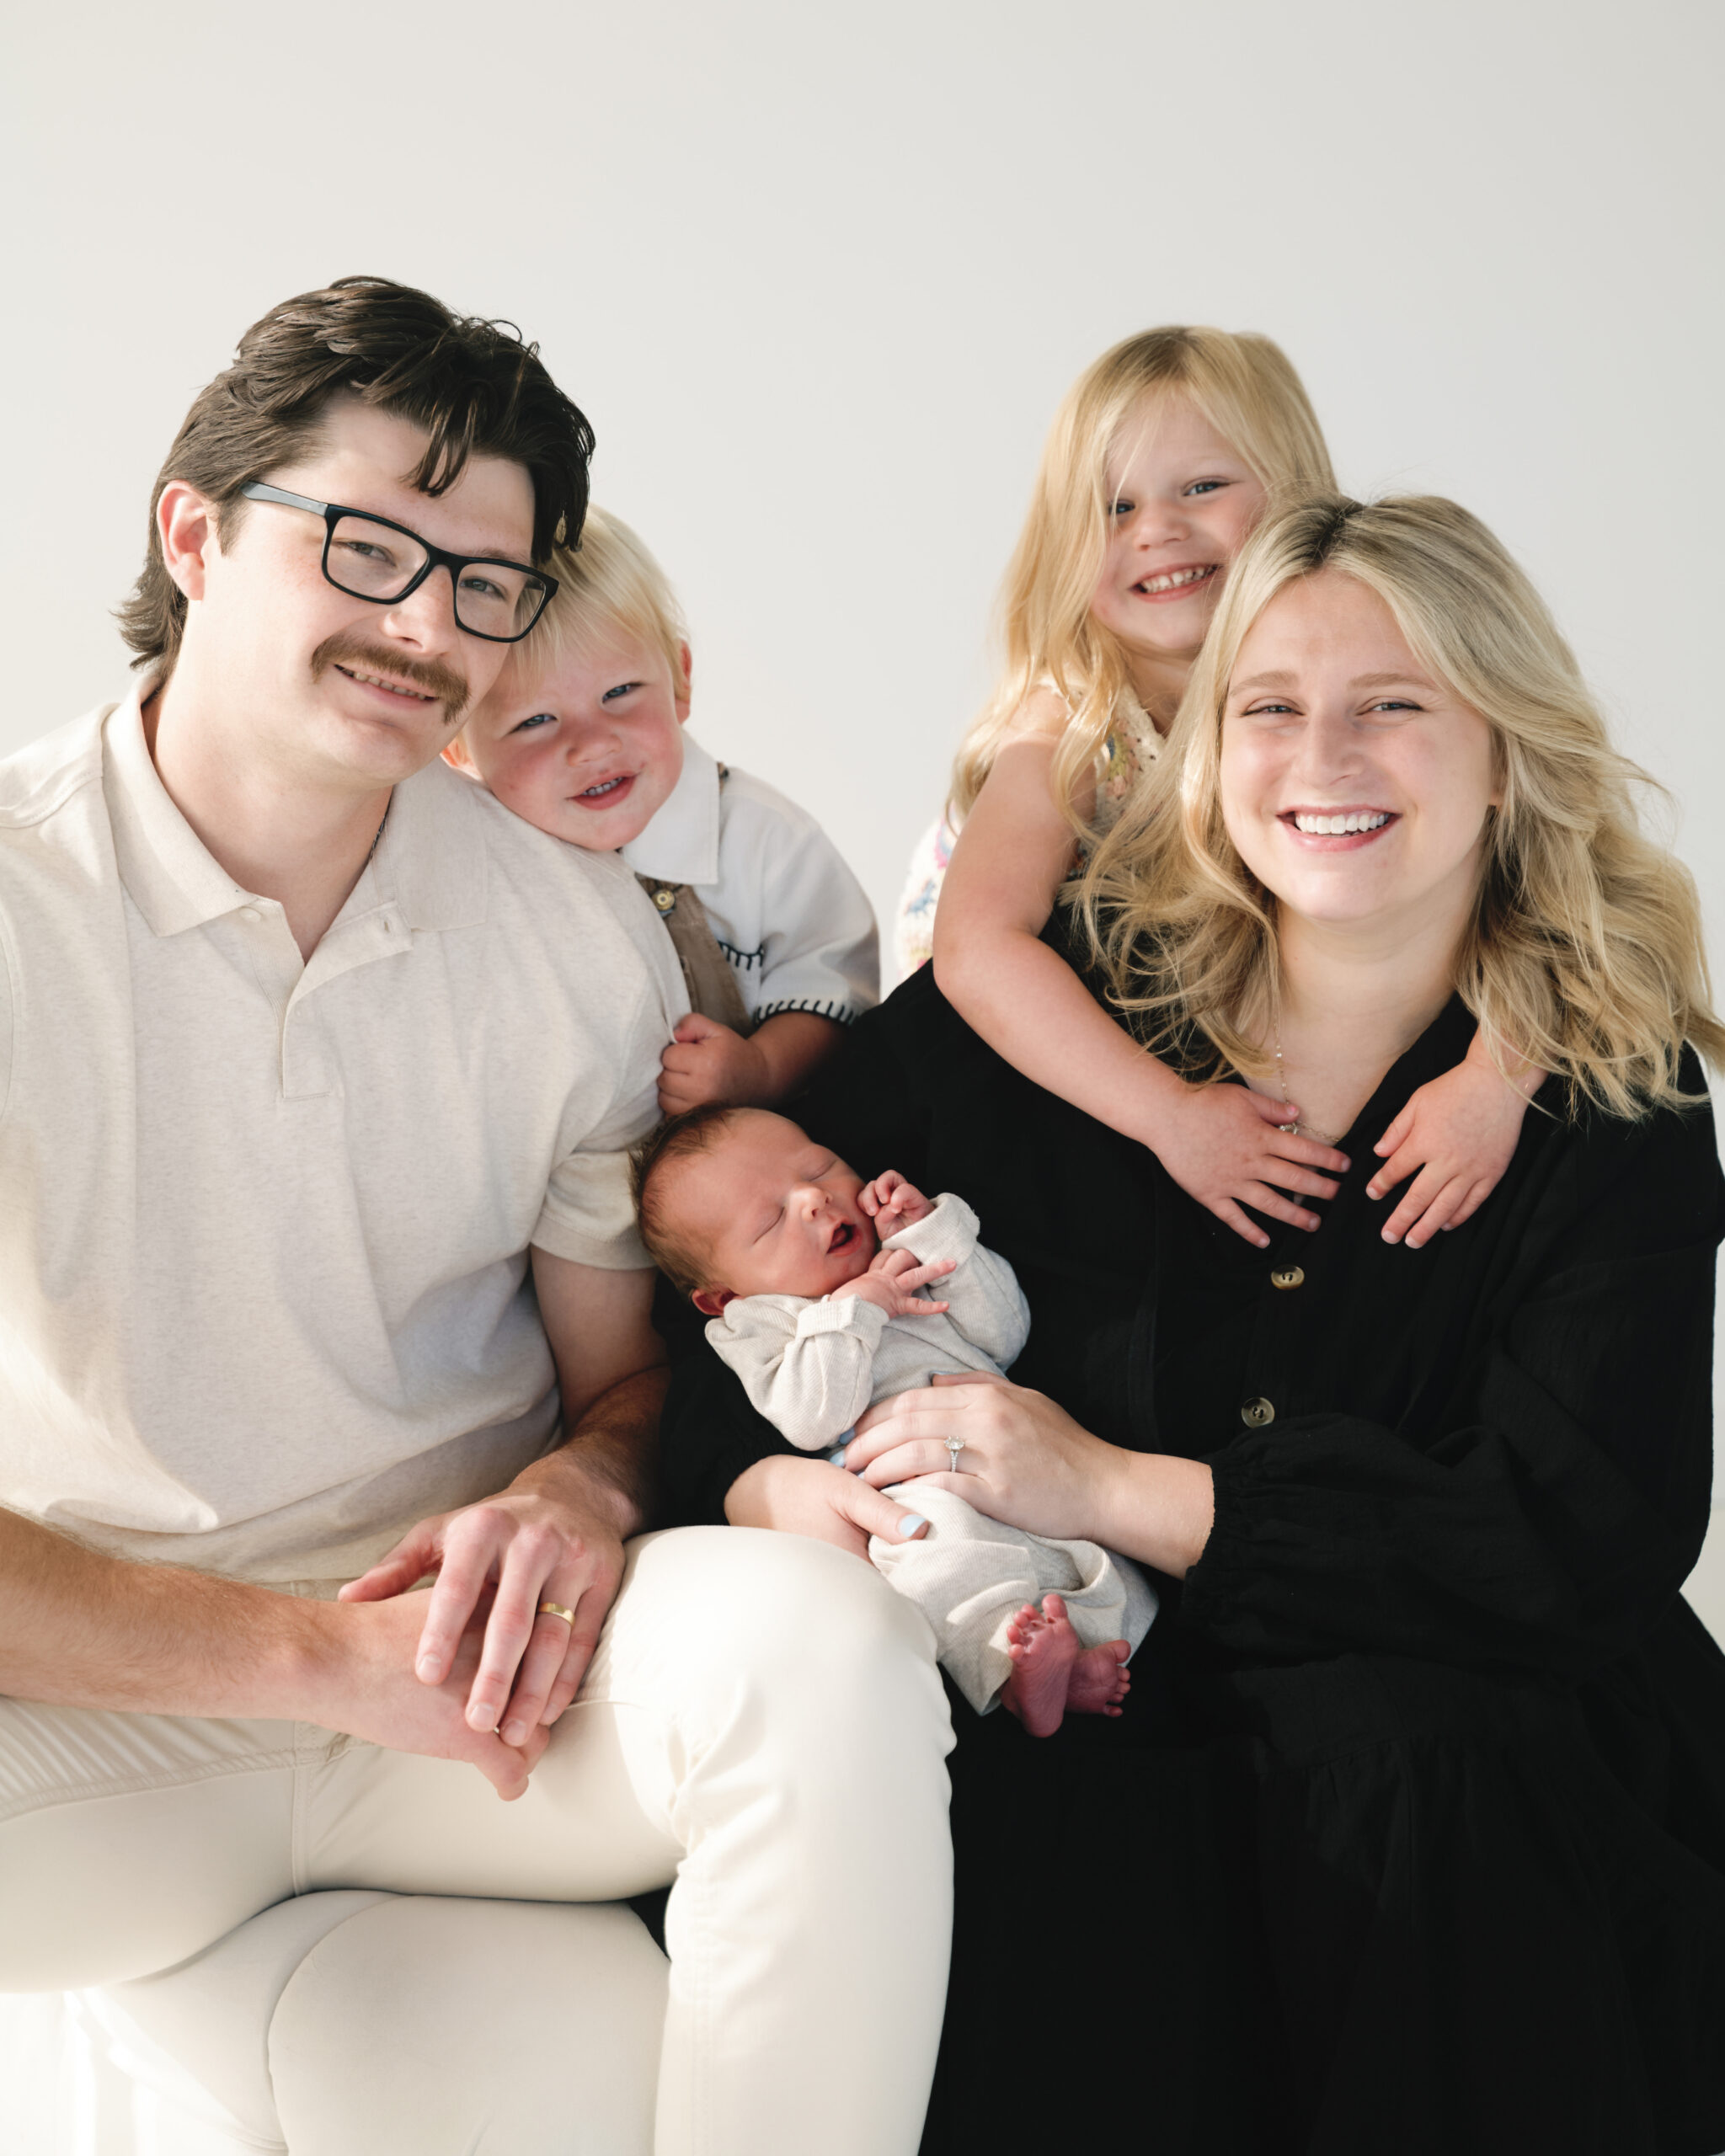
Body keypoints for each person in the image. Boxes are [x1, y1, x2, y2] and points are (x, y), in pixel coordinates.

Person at [0, 276, 953, 2156]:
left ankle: (235, 2016)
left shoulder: (569, 930)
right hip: (106, 1712)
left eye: (484, 581)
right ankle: (181, 2022)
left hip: (482, 1696)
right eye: (367, 545)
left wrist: (575, 1492)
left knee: (821, 1645)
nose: (427, 623)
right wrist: (300, 1657)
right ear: (192, 529)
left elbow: (623, 1394)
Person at [664, 493, 1725, 2153]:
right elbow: (720, 1307)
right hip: (1095, 1704)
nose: (1328, 756)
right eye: (1271, 706)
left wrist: (1110, 1484)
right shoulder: (1046, 1020)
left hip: (1472, 1763)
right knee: (989, 1783)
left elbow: (1577, 1528)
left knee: (1407, 1755)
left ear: (1503, 750)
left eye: (1394, 702)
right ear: (1208, 751)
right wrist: (773, 1492)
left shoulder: (1609, 1094)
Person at [902, 325, 1543, 1256]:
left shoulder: (1343, 696)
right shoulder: (1076, 720)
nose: (1155, 530)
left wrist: (1493, 1080)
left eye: (1200, 487)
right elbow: (974, 949)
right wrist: (1169, 1116)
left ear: (1295, 497)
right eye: (1110, 508)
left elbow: (1556, 905)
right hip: (1012, 1066)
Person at [633, 1103, 1156, 1731]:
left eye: (819, 1167)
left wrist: (933, 1233)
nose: (813, 1200)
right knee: (936, 1562)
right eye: (771, 1221)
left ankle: (1084, 1655)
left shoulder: (899, 1249)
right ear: (724, 1297)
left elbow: (1004, 1333)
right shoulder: (758, 1327)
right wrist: (859, 1306)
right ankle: (1017, 1677)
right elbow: (812, 1416)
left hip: (1014, 1450)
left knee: (1089, 1537)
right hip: (912, 1488)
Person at [449, 506, 878, 1113]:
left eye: (620, 693)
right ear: (456, 747)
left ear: (679, 680)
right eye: (535, 721)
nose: (593, 743)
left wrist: (761, 1068)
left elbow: (836, 990)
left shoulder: (764, 840)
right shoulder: (477, 862)